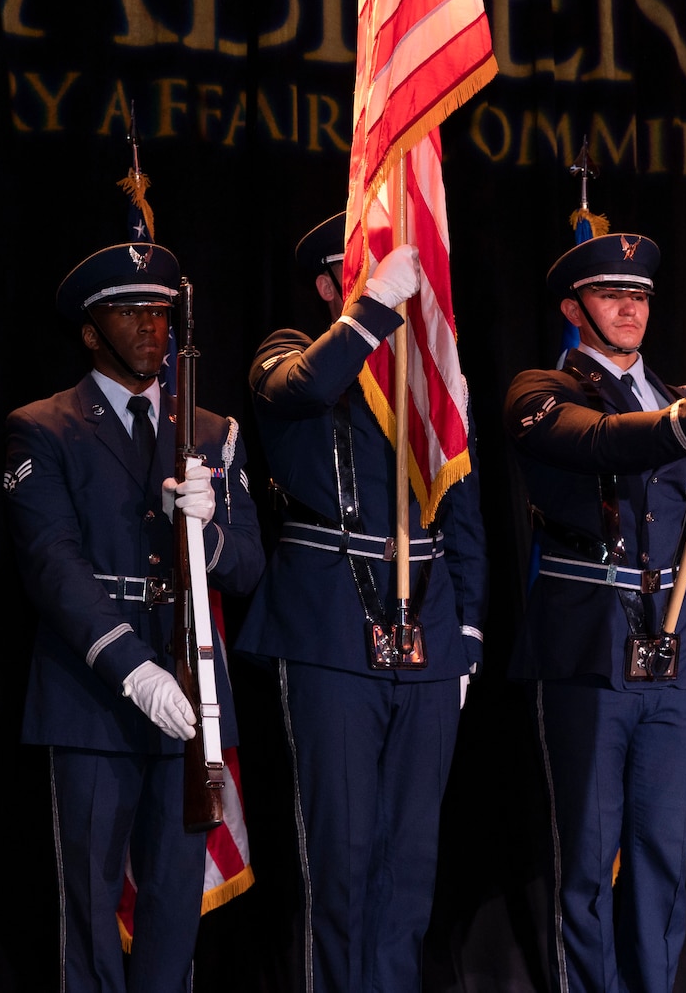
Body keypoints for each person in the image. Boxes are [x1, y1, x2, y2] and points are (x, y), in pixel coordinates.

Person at [234, 214, 489, 993]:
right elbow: (302, 385)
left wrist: (468, 630)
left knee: (408, 863)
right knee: (338, 860)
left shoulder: (428, 374)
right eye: (371, 269)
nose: (398, 278)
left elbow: (463, 510)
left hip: (430, 631)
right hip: (327, 629)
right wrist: (372, 309)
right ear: (327, 284)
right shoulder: (286, 349)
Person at [3, 242, 264, 993]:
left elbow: (249, 566)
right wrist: (133, 668)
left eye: (159, 309)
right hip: (94, 692)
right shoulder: (43, 428)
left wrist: (207, 532)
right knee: (88, 911)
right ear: (90, 331)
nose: (153, 326)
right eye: (130, 311)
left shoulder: (211, 431)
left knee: (175, 906)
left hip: (194, 687)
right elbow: (52, 564)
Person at [504, 232, 686, 993]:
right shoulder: (540, 390)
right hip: (588, 646)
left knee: (662, 855)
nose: (628, 307)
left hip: (675, 654)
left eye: (640, 294)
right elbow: (603, 445)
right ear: (572, 307)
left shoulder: (679, 396)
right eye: (612, 294)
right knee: (584, 856)